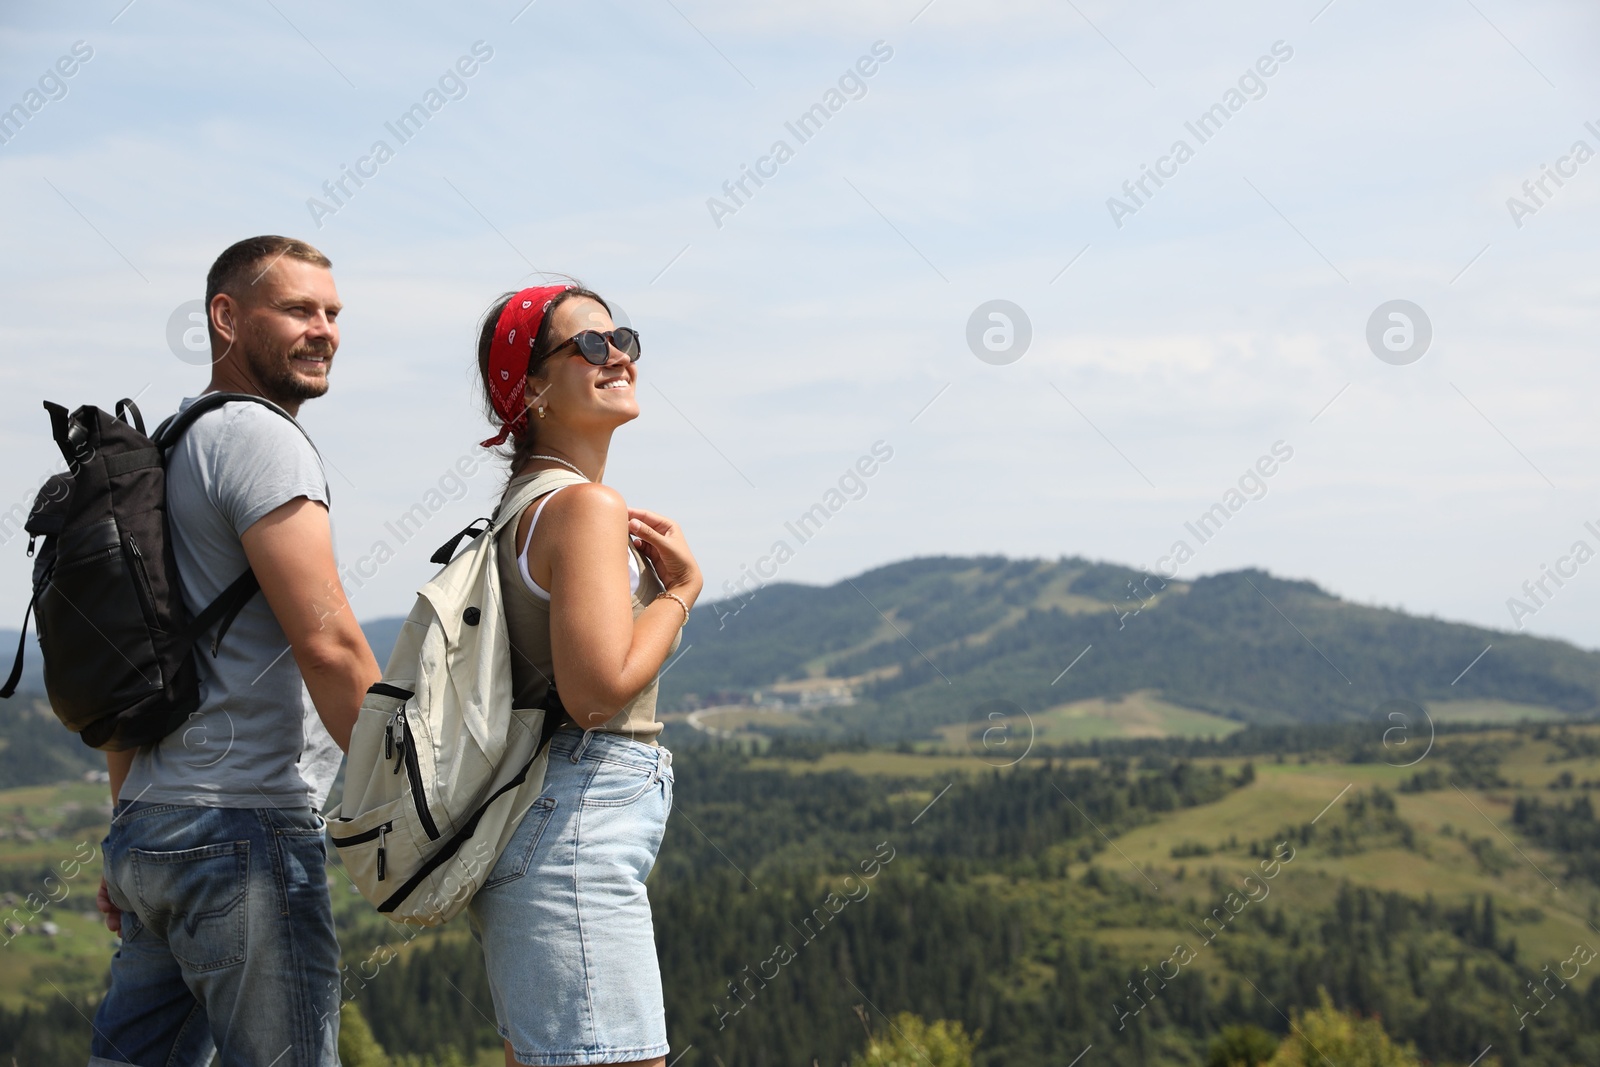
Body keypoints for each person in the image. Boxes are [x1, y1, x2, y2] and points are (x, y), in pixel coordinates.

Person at [90, 236, 381, 1067]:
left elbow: (127, 667)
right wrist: (418, 808)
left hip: (154, 832)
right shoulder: (261, 438)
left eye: (332, 313)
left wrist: (129, 820)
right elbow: (329, 642)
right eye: (297, 309)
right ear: (225, 317)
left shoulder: (168, 451)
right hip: (243, 830)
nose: (324, 329)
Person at [467, 283, 702, 1067]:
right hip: (573, 832)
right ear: (530, 388)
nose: (619, 356)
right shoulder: (586, 506)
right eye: (590, 345)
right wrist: (677, 596)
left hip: (531, 830)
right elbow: (598, 695)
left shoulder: (518, 505)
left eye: (624, 338)